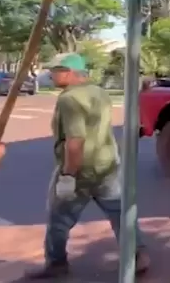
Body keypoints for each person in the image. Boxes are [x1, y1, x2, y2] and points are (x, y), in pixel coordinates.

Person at [25, 53, 150, 279]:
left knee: (59, 219)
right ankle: (138, 253)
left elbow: (75, 142)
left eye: (56, 70)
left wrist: (68, 176)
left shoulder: (69, 99)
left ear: (70, 72)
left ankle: (56, 263)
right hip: (107, 165)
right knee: (120, 213)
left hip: (80, 169)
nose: (51, 75)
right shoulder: (99, 93)